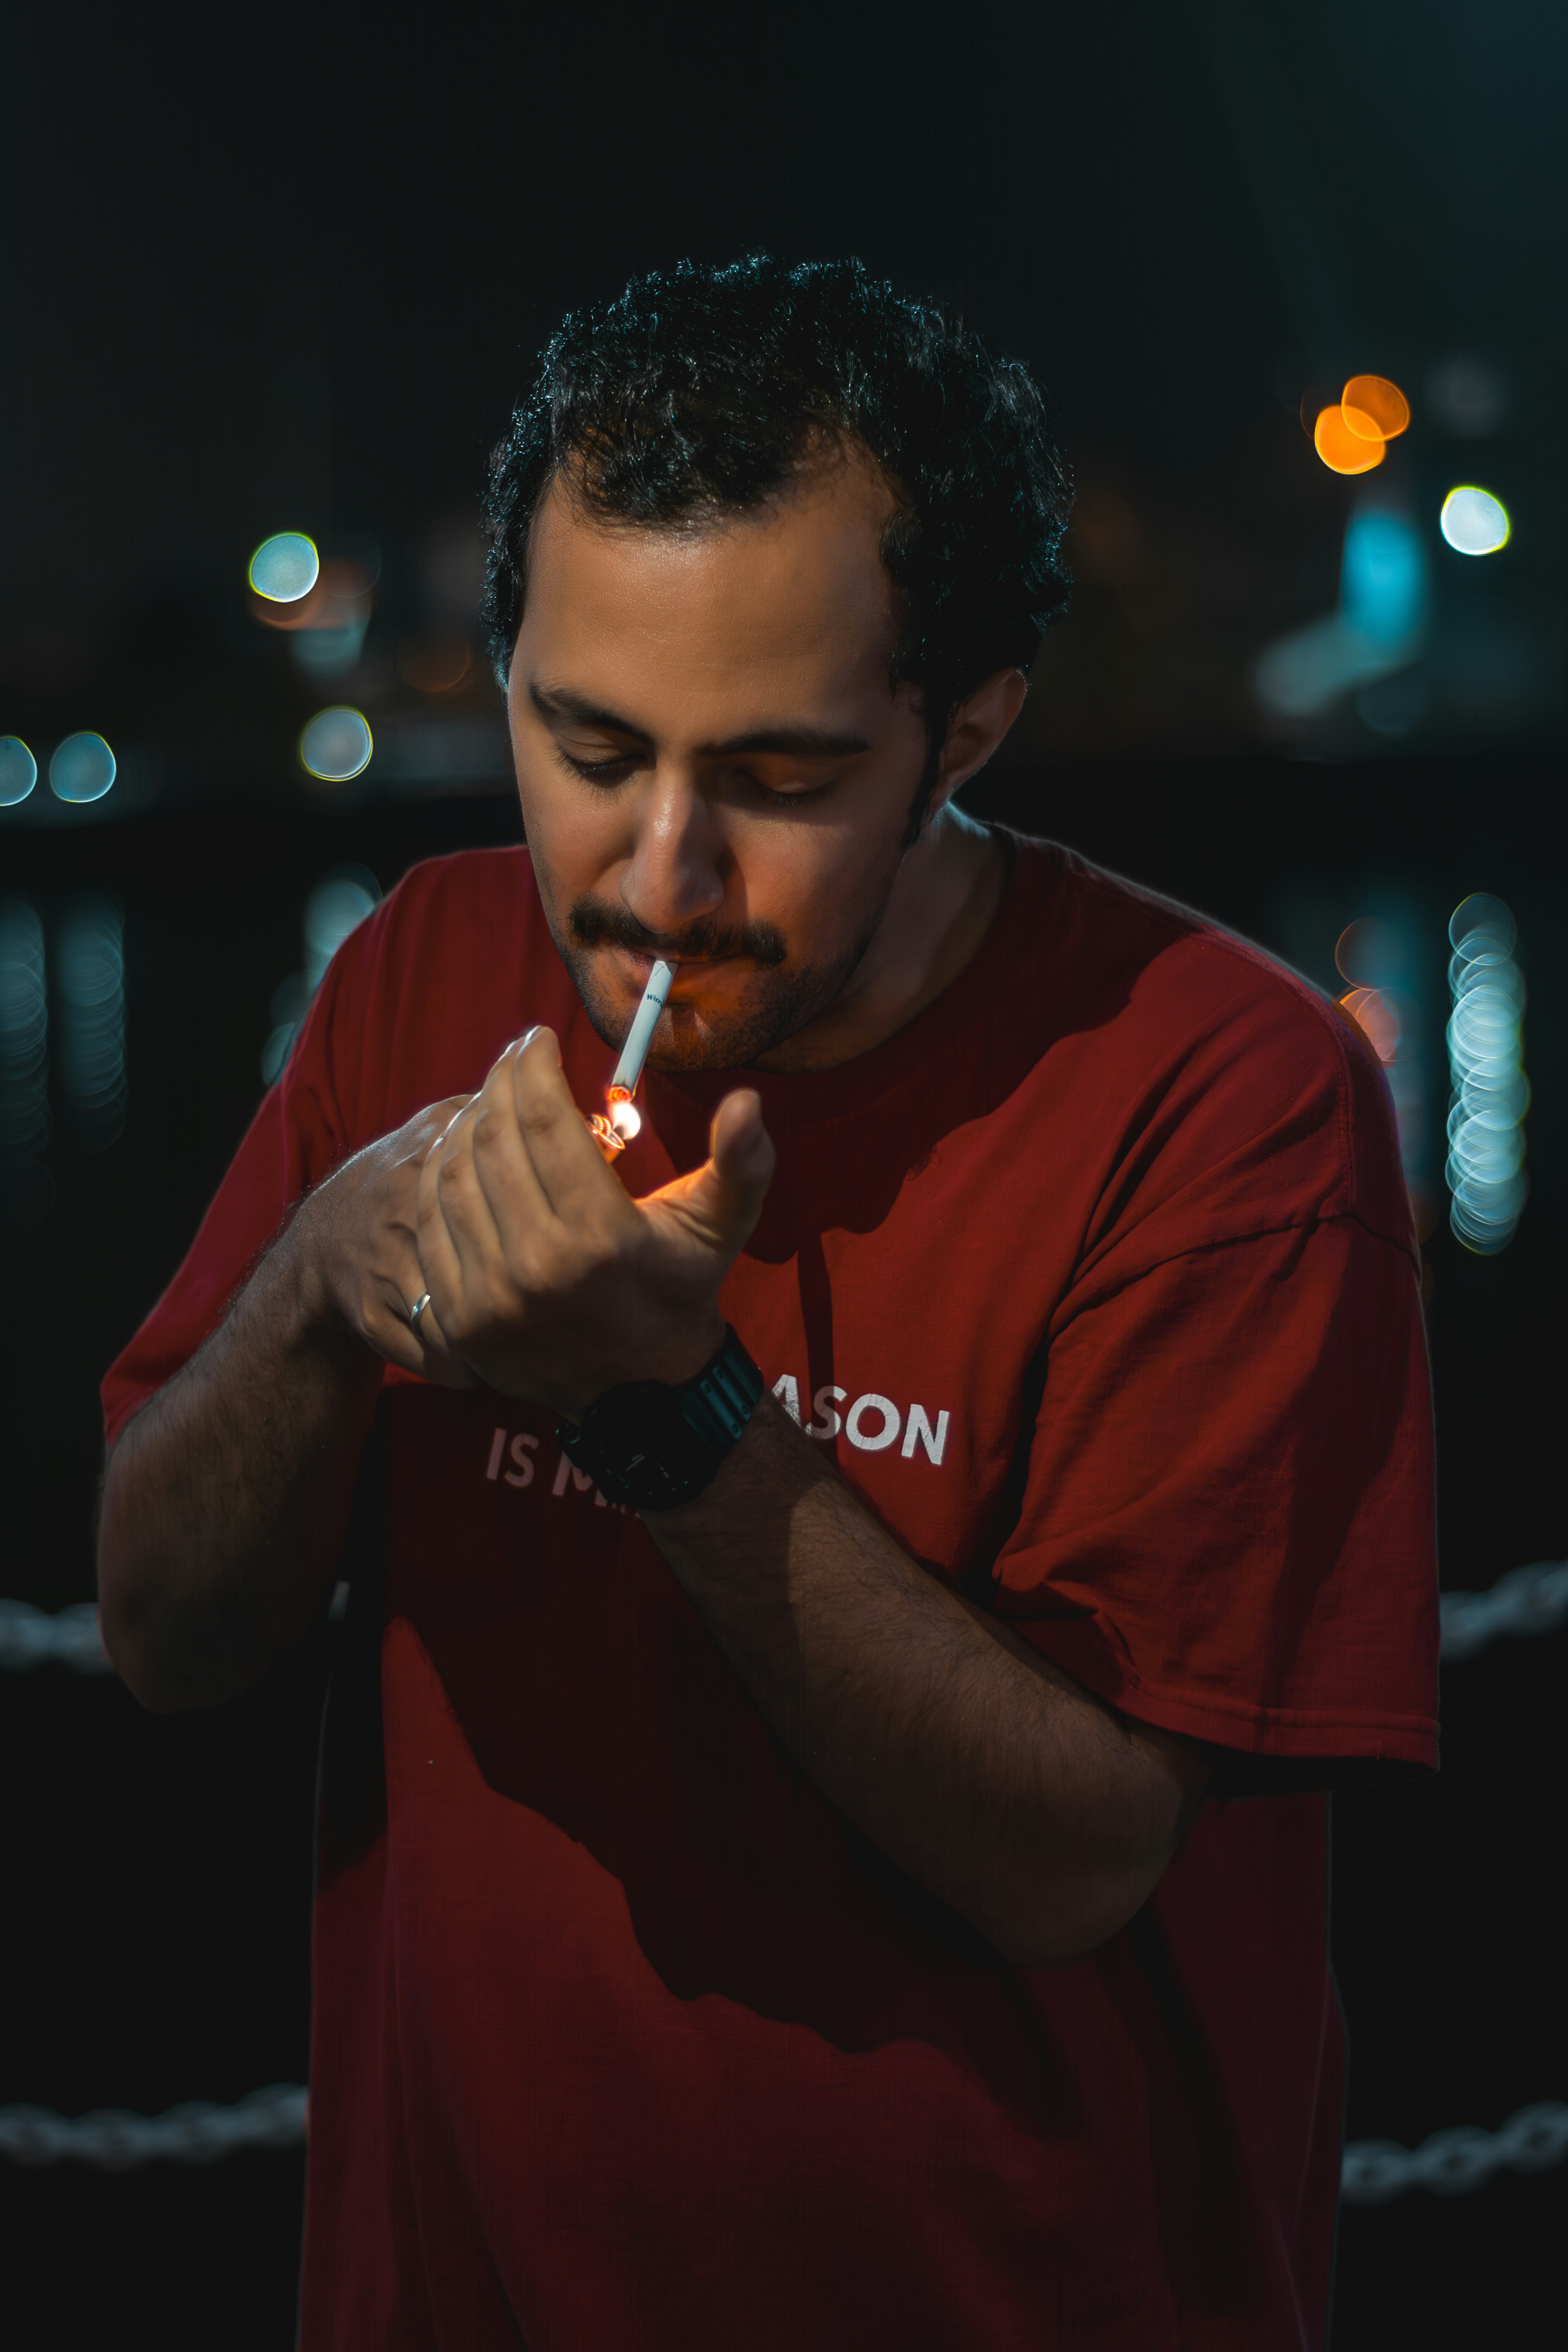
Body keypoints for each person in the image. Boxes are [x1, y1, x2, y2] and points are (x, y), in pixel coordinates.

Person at [98, 256, 1437, 2350]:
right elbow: (168, 1635)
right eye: (586, 741)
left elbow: (1075, 1859)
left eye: (783, 778)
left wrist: (667, 1411)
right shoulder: (421, 976)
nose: (658, 875)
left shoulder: (1225, 1096)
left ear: (962, 730)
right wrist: (325, 1279)